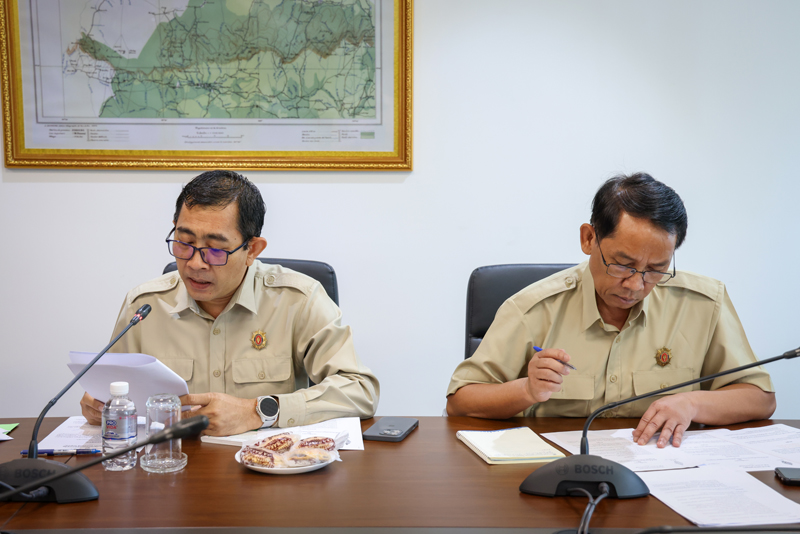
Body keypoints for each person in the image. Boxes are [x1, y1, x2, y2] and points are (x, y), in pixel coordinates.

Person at [446, 173, 775, 448]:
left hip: (664, 472)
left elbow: (760, 397)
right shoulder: (532, 309)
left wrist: (692, 403)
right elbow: (460, 400)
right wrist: (527, 390)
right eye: (622, 264)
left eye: (656, 269)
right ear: (589, 238)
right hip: (560, 473)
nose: (636, 284)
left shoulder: (704, 304)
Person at [81, 170, 379, 435]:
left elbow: (360, 390)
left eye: (215, 249)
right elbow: (109, 392)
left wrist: (256, 411)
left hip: (269, 466)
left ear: (252, 249)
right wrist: (99, 405)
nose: (195, 263)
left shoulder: (297, 300)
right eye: (184, 242)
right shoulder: (144, 306)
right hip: (173, 463)